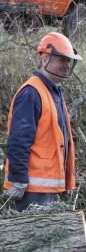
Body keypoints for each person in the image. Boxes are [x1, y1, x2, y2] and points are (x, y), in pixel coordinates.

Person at [2, 32, 81, 211]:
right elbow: (18, 141)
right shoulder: (32, 92)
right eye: (62, 59)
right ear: (45, 59)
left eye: (69, 60)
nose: (67, 65)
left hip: (45, 187)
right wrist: (19, 179)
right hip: (30, 188)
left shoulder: (54, 92)